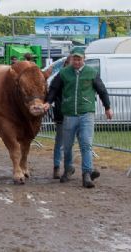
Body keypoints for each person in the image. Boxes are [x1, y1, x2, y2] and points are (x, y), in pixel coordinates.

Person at [44, 47, 113, 188]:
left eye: (79, 59)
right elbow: (54, 89)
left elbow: (102, 90)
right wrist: (48, 102)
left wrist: (108, 107)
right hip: (69, 114)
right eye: (74, 59)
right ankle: (68, 168)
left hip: (86, 112)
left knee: (86, 144)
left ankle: (87, 174)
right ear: (71, 59)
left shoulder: (91, 73)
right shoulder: (63, 73)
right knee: (67, 146)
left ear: (84, 59)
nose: (76, 61)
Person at [49, 55, 72, 179]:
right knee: (60, 142)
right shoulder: (60, 76)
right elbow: (52, 93)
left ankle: (75, 168)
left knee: (81, 142)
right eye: (69, 63)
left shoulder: (77, 76)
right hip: (61, 114)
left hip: (76, 113)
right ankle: (57, 167)